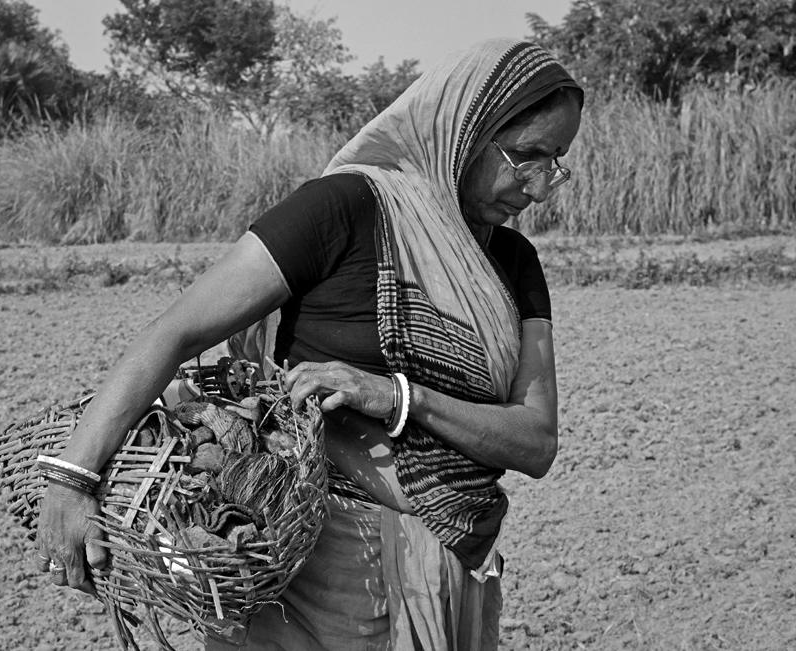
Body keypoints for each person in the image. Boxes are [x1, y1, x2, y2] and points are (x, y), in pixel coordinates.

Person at [35, 38, 583, 650]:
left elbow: (535, 441)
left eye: (555, 162)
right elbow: (175, 332)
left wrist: (400, 397)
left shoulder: (512, 263)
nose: (537, 187)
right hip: (314, 576)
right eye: (525, 156)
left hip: (454, 569)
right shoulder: (345, 209)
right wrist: (71, 479)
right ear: (463, 129)